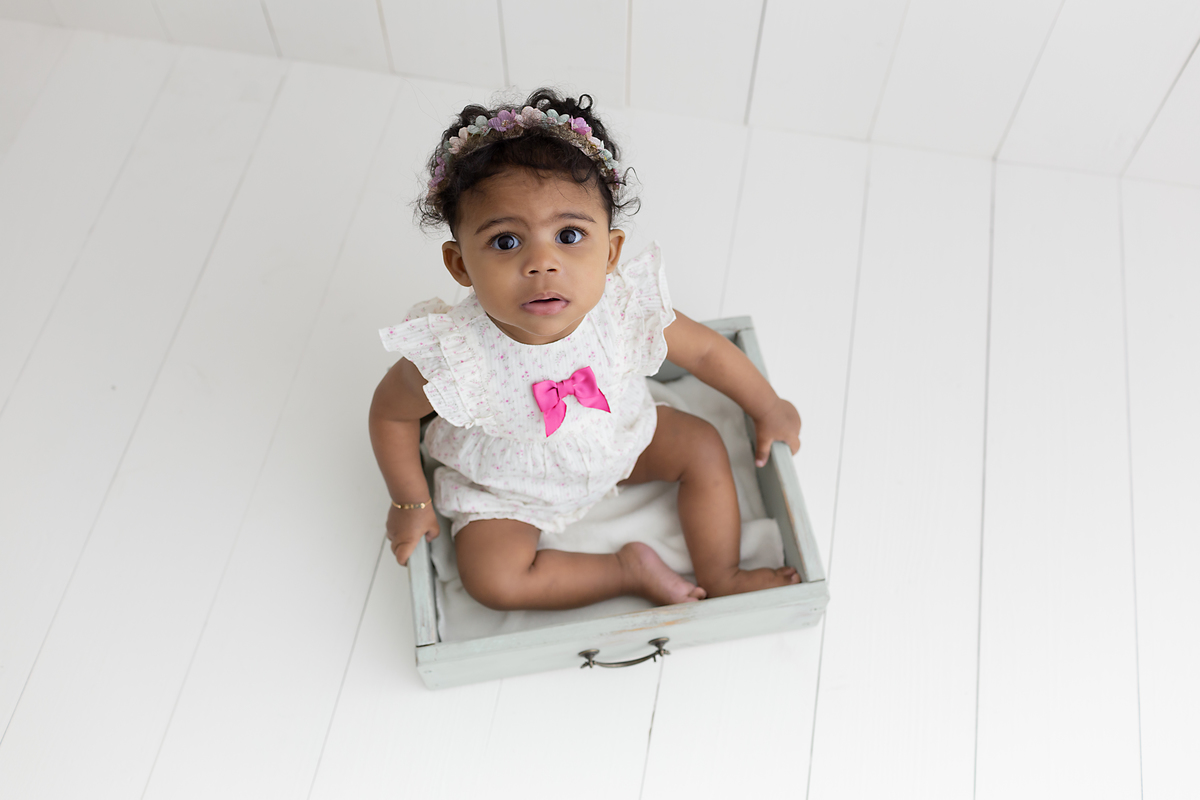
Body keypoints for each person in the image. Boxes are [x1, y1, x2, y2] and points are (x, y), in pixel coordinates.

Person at [369, 88, 802, 611]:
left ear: (611, 251)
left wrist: (767, 406)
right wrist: (409, 500)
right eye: (507, 242)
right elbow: (390, 417)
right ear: (461, 265)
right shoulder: (456, 353)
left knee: (703, 445)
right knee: (492, 581)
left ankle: (723, 573)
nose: (542, 263)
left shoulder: (621, 309)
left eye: (569, 235)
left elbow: (707, 353)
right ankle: (625, 570)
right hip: (510, 485)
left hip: (616, 439)